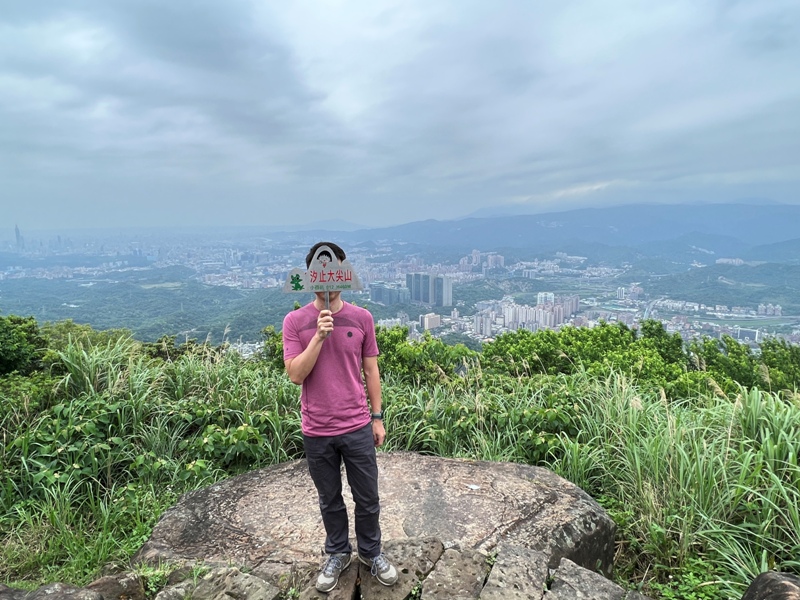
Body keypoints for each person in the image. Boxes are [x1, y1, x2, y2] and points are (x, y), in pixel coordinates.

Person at [282, 241, 398, 593]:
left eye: (333, 269)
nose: (327, 277)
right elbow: (295, 374)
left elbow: (371, 370)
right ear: (309, 276)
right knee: (329, 498)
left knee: (368, 496)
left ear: (344, 273)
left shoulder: (362, 318)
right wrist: (318, 336)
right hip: (317, 428)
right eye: (319, 269)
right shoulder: (295, 321)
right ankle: (337, 552)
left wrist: (377, 417)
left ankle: (371, 551)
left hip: (357, 424)